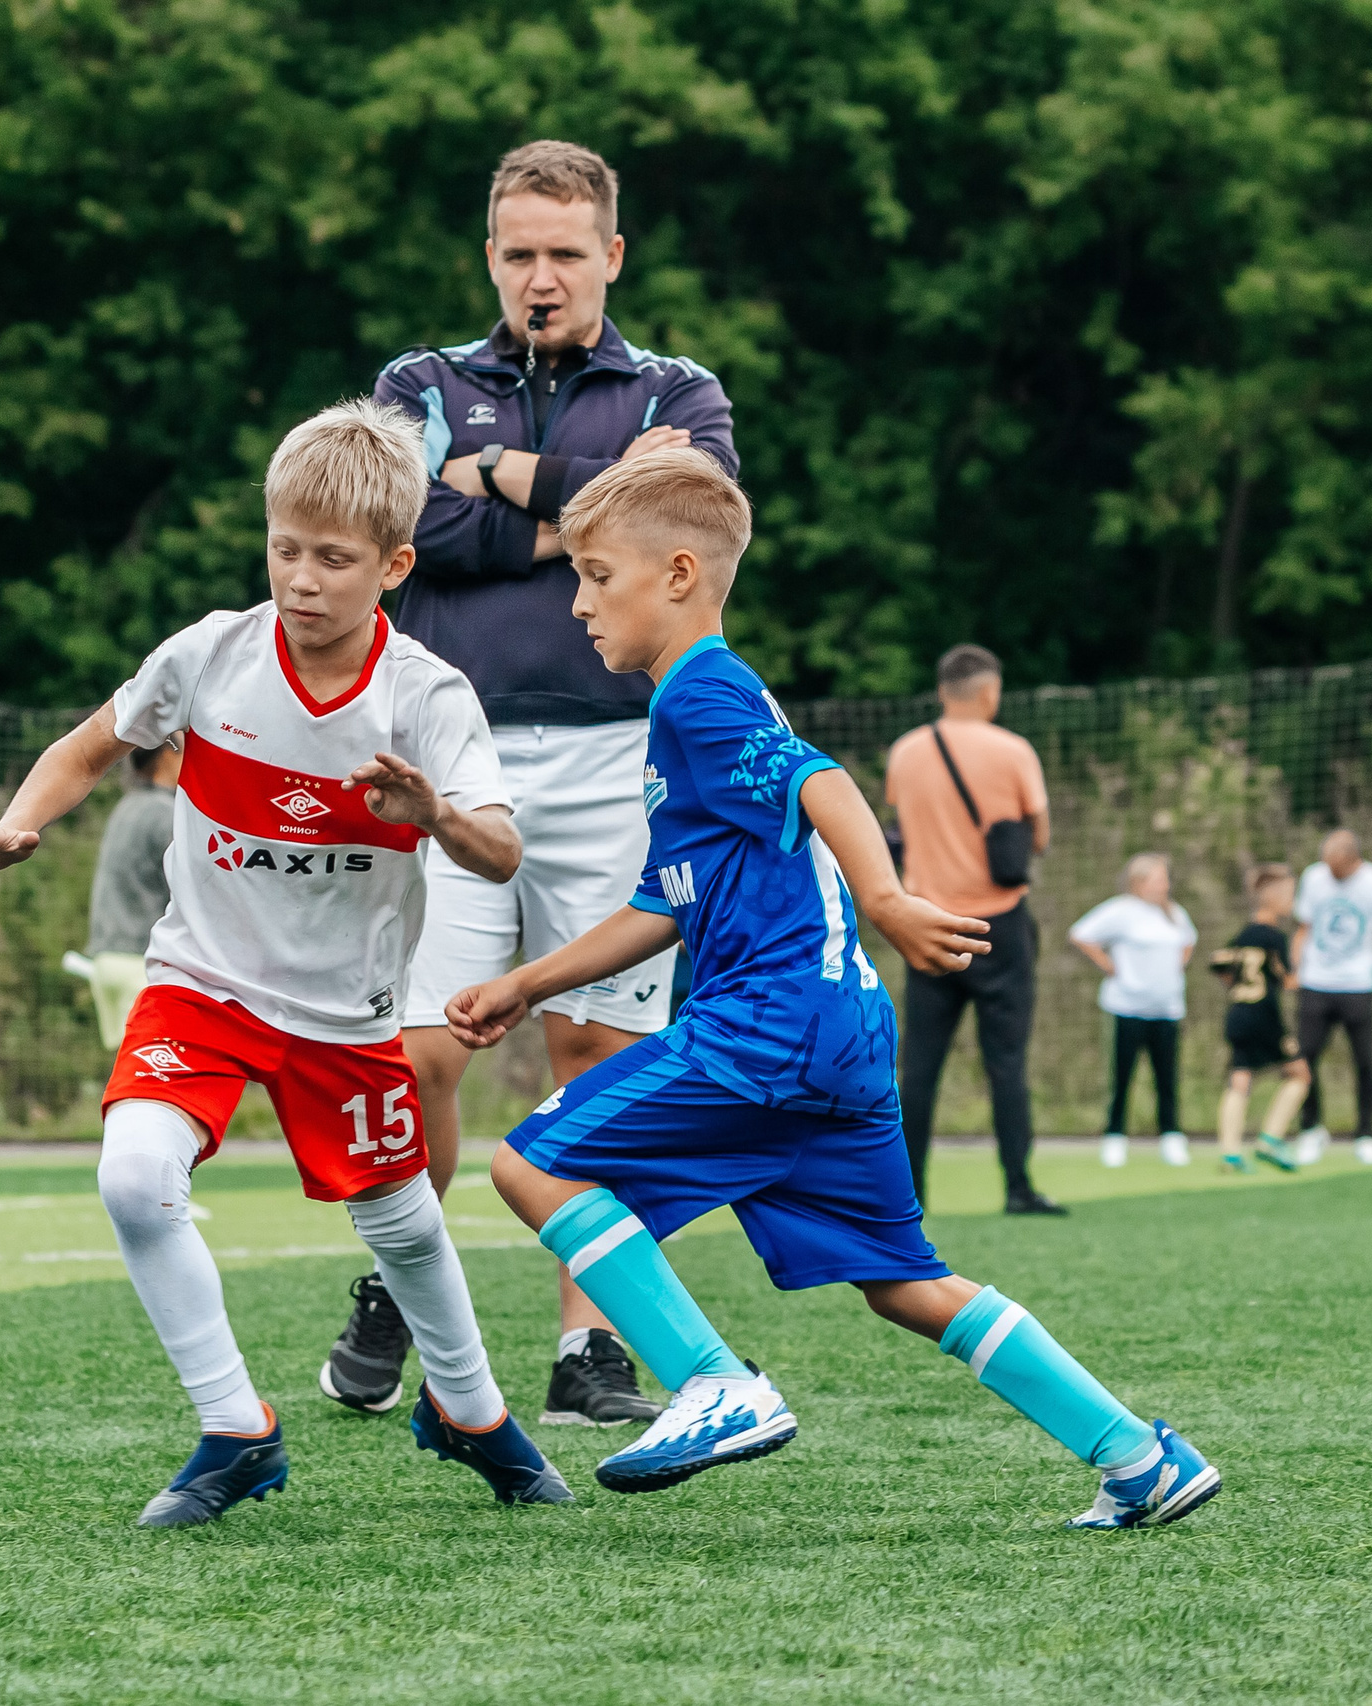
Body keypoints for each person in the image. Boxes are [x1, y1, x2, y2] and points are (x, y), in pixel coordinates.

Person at [448, 447, 1220, 1528]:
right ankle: (1138, 1455)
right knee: (904, 1280)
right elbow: (665, 903)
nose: (576, 603)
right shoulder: (690, 707)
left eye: (594, 575)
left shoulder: (702, 692)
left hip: (765, 1023)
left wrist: (887, 894)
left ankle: (715, 1381)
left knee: (528, 1163)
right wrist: (527, 982)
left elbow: (820, 776)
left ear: (677, 573)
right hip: (837, 1031)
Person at [0, 399, 571, 1527]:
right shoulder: (210, 655)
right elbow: (90, 745)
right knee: (132, 1175)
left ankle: (469, 1412)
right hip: (202, 984)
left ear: (393, 564)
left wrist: (432, 815)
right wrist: (16, 820)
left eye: (333, 558)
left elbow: (501, 845)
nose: (303, 577)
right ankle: (236, 1427)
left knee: (405, 1223)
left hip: (346, 1013)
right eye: (285, 547)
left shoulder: (424, 696)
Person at [353, 137, 739, 1429]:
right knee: (420, 1051)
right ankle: (408, 1285)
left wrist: (507, 485)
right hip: (449, 756)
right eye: (518, 251)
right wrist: (585, 516)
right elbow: (398, 528)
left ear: (611, 257)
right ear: (489, 255)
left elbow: (694, 516)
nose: (541, 276)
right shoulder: (419, 380)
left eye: (566, 253)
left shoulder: (676, 385)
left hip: (616, 753)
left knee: (596, 1057)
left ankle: (589, 1350)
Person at [884, 645, 1059, 1214]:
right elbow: (1038, 837)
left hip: (929, 924)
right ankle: (1017, 1187)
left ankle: (910, 1192)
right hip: (999, 925)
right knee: (1006, 1061)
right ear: (989, 692)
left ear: (942, 691)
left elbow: (901, 829)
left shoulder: (906, 753)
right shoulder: (1012, 751)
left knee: (920, 1068)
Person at [1069, 854, 1199, 1168]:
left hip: (1167, 1010)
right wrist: (1110, 966)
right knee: (1122, 1077)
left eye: (1165, 879)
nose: (1163, 885)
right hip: (1128, 1008)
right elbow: (1081, 934)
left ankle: (1171, 1137)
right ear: (1139, 882)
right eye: (1157, 879)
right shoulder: (1121, 911)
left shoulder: (1174, 914)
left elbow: (1188, 941)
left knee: (1167, 1078)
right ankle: (1114, 1138)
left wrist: (1175, 967)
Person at [1293, 829, 1372, 1167]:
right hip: (1316, 984)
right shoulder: (1313, 878)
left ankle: (1366, 1134)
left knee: (1365, 1062)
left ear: (1353, 860)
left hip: (1359, 985)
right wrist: (1293, 968)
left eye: (1337, 867)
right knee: (1304, 1059)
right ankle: (1311, 1129)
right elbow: (1303, 929)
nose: (1330, 873)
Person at [78, 741, 181, 1049]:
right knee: (155, 1080)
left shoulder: (127, 806)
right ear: (167, 754)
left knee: (130, 1077)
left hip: (106, 961)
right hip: (141, 963)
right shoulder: (168, 814)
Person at [1208, 863, 1309, 1174]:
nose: (1293, 902)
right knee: (1299, 1074)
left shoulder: (1242, 935)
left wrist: (1237, 985)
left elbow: (1219, 963)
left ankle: (1230, 1154)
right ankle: (1269, 1140)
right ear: (1273, 898)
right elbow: (1290, 981)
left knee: (1240, 1078)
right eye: (1290, 895)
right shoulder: (1274, 937)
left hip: (1237, 1013)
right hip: (1264, 1015)